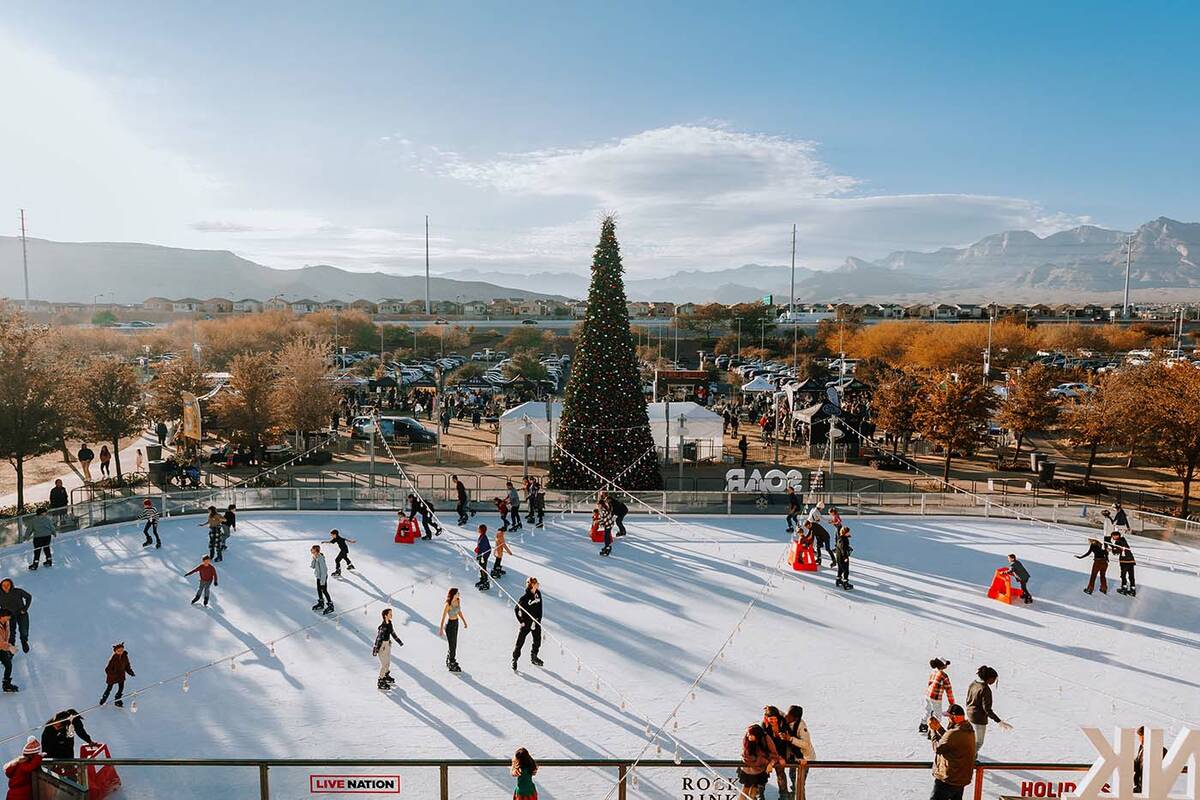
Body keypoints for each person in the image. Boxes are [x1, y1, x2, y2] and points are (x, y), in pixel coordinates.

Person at [926, 704, 976, 800]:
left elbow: (938, 748)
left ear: (954, 717)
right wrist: (939, 728)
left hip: (948, 779)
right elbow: (951, 740)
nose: (948, 719)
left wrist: (933, 731)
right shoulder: (967, 729)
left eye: (949, 717)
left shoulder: (955, 733)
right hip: (960, 780)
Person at [41, 709, 93, 783]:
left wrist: (89, 741)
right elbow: (45, 745)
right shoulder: (49, 728)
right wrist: (46, 758)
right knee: (54, 768)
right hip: (53, 749)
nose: (55, 727)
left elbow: (80, 731)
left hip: (67, 746)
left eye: (58, 726)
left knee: (69, 766)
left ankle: (73, 784)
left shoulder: (73, 721)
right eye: (54, 724)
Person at [964, 666, 1004, 754]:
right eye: (994, 679)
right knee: (978, 742)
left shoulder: (973, 683)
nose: (994, 682)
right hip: (979, 718)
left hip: (970, 714)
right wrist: (999, 721)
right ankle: (970, 759)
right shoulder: (985, 689)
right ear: (989, 678)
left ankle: (972, 757)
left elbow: (968, 698)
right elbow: (987, 709)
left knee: (972, 740)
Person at [738, 724, 781, 799]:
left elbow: (774, 755)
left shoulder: (765, 739)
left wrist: (770, 764)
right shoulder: (747, 740)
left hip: (760, 770)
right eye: (748, 734)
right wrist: (765, 761)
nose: (749, 736)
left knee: (754, 790)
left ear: (757, 735)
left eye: (751, 735)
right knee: (745, 789)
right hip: (748, 769)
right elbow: (746, 757)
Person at [512, 577, 544, 671]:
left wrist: (539, 620)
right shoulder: (524, 598)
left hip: (536, 622)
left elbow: (540, 608)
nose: (538, 584)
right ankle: (515, 659)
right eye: (536, 583)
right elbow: (516, 609)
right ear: (532, 585)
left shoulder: (538, 594)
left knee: (537, 640)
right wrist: (521, 621)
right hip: (526, 623)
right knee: (520, 642)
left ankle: (534, 656)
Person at [783, 706, 815, 796]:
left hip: (804, 758)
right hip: (794, 757)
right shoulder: (788, 720)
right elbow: (781, 714)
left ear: (795, 718)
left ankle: (800, 797)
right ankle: (795, 796)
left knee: (799, 783)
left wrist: (790, 739)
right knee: (793, 778)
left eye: (789, 715)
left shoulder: (801, 726)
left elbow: (806, 744)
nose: (786, 716)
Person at [761, 706, 792, 798]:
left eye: (775, 719)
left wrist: (781, 757)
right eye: (771, 719)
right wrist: (775, 757)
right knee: (763, 772)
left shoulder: (783, 723)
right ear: (767, 718)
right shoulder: (764, 726)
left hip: (782, 752)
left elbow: (787, 742)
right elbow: (764, 745)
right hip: (769, 753)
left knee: (781, 772)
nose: (773, 721)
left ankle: (784, 795)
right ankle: (760, 794)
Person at [920, 658, 954, 737]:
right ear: (942, 665)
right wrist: (952, 703)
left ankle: (923, 725)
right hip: (935, 697)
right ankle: (932, 731)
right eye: (946, 664)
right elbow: (949, 690)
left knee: (928, 711)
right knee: (938, 715)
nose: (947, 666)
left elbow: (930, 683)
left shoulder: (933, 672)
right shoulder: (944, 676)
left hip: (928, 694)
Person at [371, 609, 403, 690]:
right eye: (390, 614)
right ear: (385, 615)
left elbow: (392, 633)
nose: (391, 615)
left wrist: (399, 641)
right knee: (384, 664)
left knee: (388, 663)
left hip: (388, 644)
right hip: (382, 646)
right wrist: (376, 649)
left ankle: (386, 676)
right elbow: (378, 638)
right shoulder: (383, 627)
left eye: (391, 613)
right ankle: (380, 680)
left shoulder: (390, 624)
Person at [438, 587, 467, 673]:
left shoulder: (458, 601)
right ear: (453, 594)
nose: (459, 594)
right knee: (452, 644)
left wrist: (464, 621)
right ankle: (451, 660)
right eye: (457, 593)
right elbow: (443, 617)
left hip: (456, 623)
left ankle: (451, 658)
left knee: (455, 643)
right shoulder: (448, 604)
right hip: (450, 625)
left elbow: (459, 612)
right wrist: (441, 629)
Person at [0, 580, 31, 654]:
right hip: (8, 616)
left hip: (21, 613)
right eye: (3, 585)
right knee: (10, 633)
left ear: (11, 585)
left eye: (8, 584)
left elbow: (28, 597)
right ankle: (11, 650)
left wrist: (25, 608)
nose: (6, 587)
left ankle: (24, 641)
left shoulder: (18, 591)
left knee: (24, 630)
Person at [99, 642, 134, 707]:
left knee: (121, 688)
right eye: (118, 651)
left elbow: (127, 665)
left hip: (121, 676)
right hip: (112, 677)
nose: (120, 652)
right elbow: (107, 669)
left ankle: (117, 700)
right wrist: (114, 674)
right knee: (109, 688)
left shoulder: (124, 656)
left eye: (122, 650)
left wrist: (130, 671)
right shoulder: (113, 659)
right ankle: (103, 700)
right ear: (115, 651)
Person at [1108, 531, 1137, 596]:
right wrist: (1113, 547)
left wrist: (1111, 549)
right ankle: (1133, 590)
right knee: (1131, 575)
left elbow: (1117, 551)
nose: (1112, 537)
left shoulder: (1118, 541)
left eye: (1113, 536)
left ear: (1116, 536)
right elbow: (1119, 549)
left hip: (1124, 561)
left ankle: (1124, 588)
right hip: (1131, 560)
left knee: (1123, 575)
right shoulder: (1123, 540)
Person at [311, 545, 333, 614]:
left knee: (324, 590)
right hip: (318, 577)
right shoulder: (316, 557)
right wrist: (314, 559)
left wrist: (322, 581)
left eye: (313, 550)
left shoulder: (320, 558)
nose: (311, 550)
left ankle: (331, 605)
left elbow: (324, 570)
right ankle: (321, 603)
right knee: (319, 590)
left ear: (316, 550)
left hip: (322, 577)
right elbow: (313, 566)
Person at [0, 609, 17, 693]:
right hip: (1, 646)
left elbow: (7, 636)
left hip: (2, 649)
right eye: (8, 617)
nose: (9, 619)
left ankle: (6, 685)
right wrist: (9, 647)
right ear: (2, 616)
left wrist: (8, 646)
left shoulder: (6, 623)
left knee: (8, 665)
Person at [475, 525, 492, 591]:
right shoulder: (481, 536)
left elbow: (484, 549)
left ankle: (486, 582)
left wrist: (479, 555)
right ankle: (482, 580)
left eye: (478, 528)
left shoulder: (484, 538)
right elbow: (480, 547)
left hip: (483, 556)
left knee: (483, 568)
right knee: (481, 568)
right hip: (481, 556)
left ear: (481, 530)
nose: (477, 529)